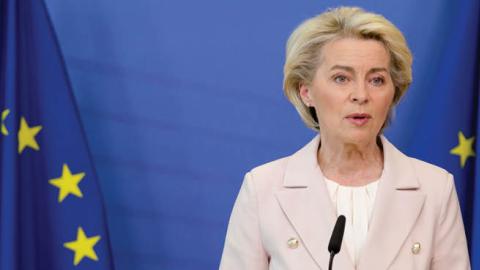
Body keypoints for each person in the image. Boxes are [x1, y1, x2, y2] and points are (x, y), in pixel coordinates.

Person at [219, 6, 471, 270]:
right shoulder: (263, 189)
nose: (361, 95)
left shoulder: (435, 189)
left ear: (393, 91)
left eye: (376, 80)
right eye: (342, 78)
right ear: (306, 92)